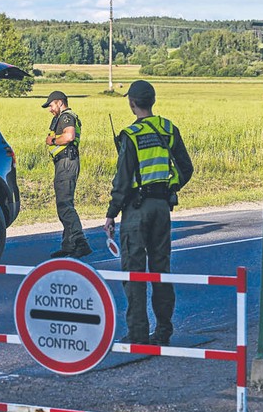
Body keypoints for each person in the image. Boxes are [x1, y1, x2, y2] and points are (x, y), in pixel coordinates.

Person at [103, 80, 193, 345]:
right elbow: (186, 168)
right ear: (152, 101)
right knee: (160, 269)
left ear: (132, 103)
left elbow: (122, 181)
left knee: (134, 272)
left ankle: (138, 333)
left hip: (136, 209)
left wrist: (111, 213)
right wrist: (169, 187)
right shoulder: (168, 128)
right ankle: (164, 331)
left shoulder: (131, 135)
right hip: (162, 207)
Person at [43, 91, 92, 258]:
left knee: (64, 205)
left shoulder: (66, 117)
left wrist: (52, 141)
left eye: (51, 105)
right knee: (64, 203)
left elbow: (69, 136)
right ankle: (68, 245)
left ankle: (80, 242)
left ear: (59, 102)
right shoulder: (61, 117)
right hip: (63, 162)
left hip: (66, 162)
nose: (50, 109)